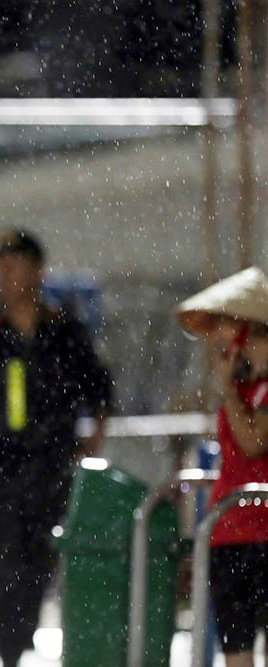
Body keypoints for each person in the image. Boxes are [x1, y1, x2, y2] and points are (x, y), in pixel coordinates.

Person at [0, 228, 111, 667]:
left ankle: (19, 636)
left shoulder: (64, 332)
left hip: (47, 467)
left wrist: (92, 436)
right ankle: (7, 646)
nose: (5, 276)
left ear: (36, 270)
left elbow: (99, 388)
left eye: (13, 265)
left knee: (37, 562)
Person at [175, 267, 268, 667]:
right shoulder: (245, 389)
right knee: (236, 653)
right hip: (229, 534)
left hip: (261, 532)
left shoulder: (256, 392)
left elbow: (253, 442)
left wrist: (228, 389)